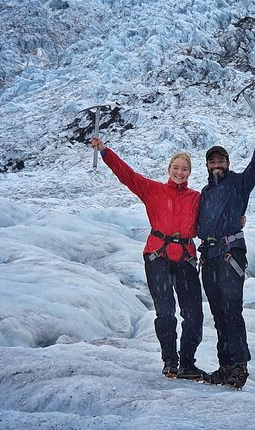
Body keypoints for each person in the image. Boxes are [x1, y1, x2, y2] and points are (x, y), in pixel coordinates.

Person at [91, 137, 206, 380]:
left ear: (190, 173)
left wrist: (239, 219)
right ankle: (170, 362)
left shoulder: (196, 198)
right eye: (176, 167)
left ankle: (187, 363)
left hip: (185, 257)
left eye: (184, 169)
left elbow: (217, 211)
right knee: (165, 312)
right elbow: (127, 175)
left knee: (194, 314)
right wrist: (104, 151)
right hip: (158, 256)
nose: (180, 172)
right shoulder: (153, 190)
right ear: (169, 169)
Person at [197, 113, 255, 388]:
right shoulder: (204, 193)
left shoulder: (239, 183)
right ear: (207, 165)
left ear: (227, 163)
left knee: (232, 311)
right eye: (212, 161)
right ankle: (224, 367)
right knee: (219, 314)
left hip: (230, 256)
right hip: (209, 258)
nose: (217, 165)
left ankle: (239, 367)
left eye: (221, 161)